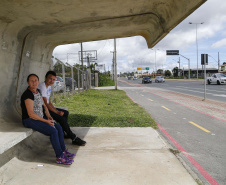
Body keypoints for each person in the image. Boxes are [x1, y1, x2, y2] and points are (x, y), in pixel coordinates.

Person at [21, 74, 75, 165]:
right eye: (31, 81)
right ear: (28, 82)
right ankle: (60, 157)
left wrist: (49, 115)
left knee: (58, 128)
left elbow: (44, 105)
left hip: (40, 117)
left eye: (36, 80)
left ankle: (63, 151)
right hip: (29, 120)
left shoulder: (37, 91)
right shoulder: (27, 94)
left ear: (38, 81)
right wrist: (46, 121)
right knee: (53, 131)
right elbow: (30, 114)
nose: (34, 82)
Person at [38, 71, 86, 146]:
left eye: (53, 79)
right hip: (42, 109)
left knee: (65, 113)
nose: (52, 81)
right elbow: (46, 104)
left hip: (46, 107)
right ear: (45, 78)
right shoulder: (42, 86)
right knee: (61, 118)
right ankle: (73, 137)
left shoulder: (49, 87)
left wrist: (57, 111)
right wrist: (57, 112)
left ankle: (63, 132)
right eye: (50, 79)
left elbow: (49, 102)